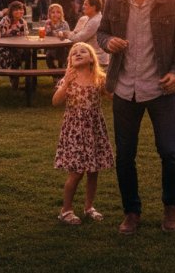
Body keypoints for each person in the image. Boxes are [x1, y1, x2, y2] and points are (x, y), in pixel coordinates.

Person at [96, 0, 175, 235]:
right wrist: (107, 42)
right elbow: (102, 32)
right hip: (125, 89)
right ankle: (131, 211)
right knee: (124, 155)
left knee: (169, 151)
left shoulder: (172, 0)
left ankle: (171, 207)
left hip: (160, 90)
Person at [52, 43, 115, 225]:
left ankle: (89, 207)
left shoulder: (99, 79)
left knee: (93, 171)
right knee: (77, 172)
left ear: (91, 58)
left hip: (94, 129)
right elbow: (55, 101)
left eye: (83, 51)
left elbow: (111, 95)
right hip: (75, 131)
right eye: (74, 53)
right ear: (70, 61)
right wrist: (65, 84)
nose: (78, 54)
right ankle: (66, 210)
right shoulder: (69, 79)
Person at [0, 0, 30, 90]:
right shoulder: (6, 20)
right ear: (11, 11)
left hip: (19, 47)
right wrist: (13, 30)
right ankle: (15, 80)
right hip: (4, 48)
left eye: (21, 9)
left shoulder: (23, 21)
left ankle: (28, 81)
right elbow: (2, 34)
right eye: (16, 10)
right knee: (17, 54)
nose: (20, 11)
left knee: (28, 53)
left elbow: (26, 35)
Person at [70, 0, 109, 66]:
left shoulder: (96, 21)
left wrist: (66, 34)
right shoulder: (87, 19)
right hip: (88, 55)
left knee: (73, 60)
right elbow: (76, 33)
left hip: (96, 58)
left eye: (86, 5)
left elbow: (78, 39)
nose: (83, 7)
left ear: (93, 7)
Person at [43, 3, 71, 68]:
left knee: (63, 53)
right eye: (53, 12)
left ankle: (61, 71)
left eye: (58, 12)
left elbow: (68, 34)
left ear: (61, 14)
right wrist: (47, 32)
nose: (55, 14)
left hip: (62, 47)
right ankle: (55, 74)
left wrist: (62, 33)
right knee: (48, 56)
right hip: (51, 47)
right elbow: (46, 34)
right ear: (49, 14)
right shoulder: (48, 23)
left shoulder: (64, 23)